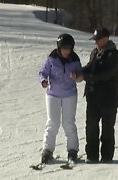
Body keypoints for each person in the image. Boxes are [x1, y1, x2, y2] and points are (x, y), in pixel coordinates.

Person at [72, 27, 118, 163]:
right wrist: (79, 72)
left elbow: (105, 75)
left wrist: (85, 77)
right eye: (95, 40)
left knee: (107, 128)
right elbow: (90, 66)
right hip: (93, 96)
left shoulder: (114, 55)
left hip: (109, 97)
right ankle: (92, 155)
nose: (96, 43)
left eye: (98, 40)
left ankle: (106, 156)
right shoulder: (95, 52)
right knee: (91, 126)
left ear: (106, 38)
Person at [38, 33, 83, 164]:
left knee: (68, 123)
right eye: (63, 48)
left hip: (70, 95)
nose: (66, 51)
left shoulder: (75, 59)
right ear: (59, 47)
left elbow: (81, 76)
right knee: (52, 123)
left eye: (68, 48)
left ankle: (72, 151)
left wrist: (77, 77)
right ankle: (47, 151)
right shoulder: (52, 58)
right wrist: (43, 81)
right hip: (53, 94)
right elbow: (43, 72)